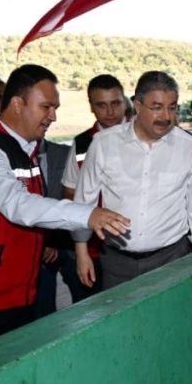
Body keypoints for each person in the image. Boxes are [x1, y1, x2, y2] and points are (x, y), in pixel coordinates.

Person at [0, 64, 123, 358]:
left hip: (17, 295)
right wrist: (87, 214)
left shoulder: (24, 149)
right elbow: (18, 205)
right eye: (46, 106)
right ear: (18, 103)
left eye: (55, 107)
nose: (53, 116)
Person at [72, 71, 192, 290]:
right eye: (157, 107)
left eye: (172, 107)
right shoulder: (104, 144)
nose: (166, 116)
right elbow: (84, 201)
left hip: (171, 259)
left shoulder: (188, 147)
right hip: (116, 262)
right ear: (137, 106)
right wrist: (81, 252)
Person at [56, 74, 128, 303]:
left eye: (115, 103)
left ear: (125, 101)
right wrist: (81, 248)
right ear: (91, 107)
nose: (110, 112)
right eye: (101, 105)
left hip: (139, 242)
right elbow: (70, 195)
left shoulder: (143, 134)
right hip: (96, 247)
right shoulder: (83, 144)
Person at [34, 137, 79, 317]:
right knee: (43, 309)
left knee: (84, 297)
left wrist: (54, 240)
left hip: (67, 241)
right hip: (36, 245)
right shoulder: (8, 157)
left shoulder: (64, 153)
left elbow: (74, 197)